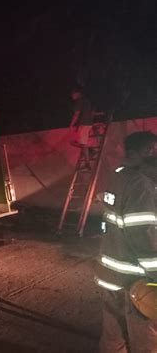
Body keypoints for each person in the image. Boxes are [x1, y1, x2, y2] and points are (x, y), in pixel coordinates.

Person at [95, 131, 157, 352]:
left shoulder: (117, 176)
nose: (154, 154)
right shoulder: (140, 185)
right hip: (135, 281)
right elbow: (144, 236)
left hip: (111, 274)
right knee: (145, 342)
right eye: (149, 151)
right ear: (133, 154)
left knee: (113, 336)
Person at [69, 86, 93, 169]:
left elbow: (77, 114)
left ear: (77, 93)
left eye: (73, 94)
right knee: (80, 143)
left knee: (81, 144)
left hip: (83, 125)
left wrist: (72, 124)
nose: (72, 96)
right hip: (88, 124)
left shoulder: (79, 101)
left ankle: (87, 163)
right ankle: (88, 150)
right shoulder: (87, 101)